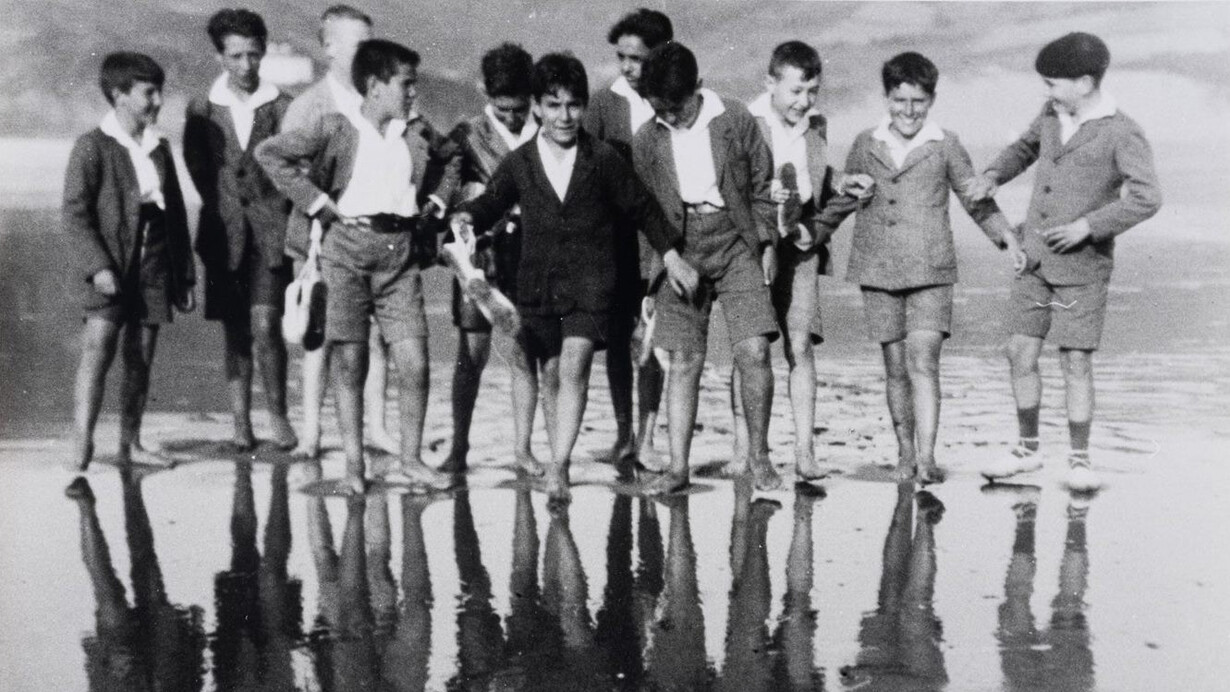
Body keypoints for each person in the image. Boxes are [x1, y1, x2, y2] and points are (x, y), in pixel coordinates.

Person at [452, 53, 697, 500]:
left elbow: (643, 207)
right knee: (549, 371)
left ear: (583, 106)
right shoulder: (522, 162)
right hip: (539, 285)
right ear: (539, 108)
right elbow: (492, 201)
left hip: (592, 284)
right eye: (554, 105)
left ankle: (559, 465)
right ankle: (552, 455)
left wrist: (673, 256)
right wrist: (468, 215)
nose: (565, 116)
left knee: (575, 364)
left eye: (574, 105)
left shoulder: (602, 158)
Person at [257, 38, 459, 494]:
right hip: (344, 251)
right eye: (405, 85)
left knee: (416, 361)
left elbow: (454, 159)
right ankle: (353, 468)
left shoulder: (417, 129)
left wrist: (437, 201)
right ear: (374, 85)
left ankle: (410, 459)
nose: (413, 94)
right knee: (350, 362)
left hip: (400, 254)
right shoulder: (335, 127)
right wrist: (318, 204)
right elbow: (270, 155)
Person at [971, 33, 1161, 491]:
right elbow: (1023, 148)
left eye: (1053, 84)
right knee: (1019, 351)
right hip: (1034, 263)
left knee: (1075, 361)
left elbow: (1148, 197)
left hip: (1083, 269)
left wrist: (1088, 227)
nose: (1047, 92)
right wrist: (995, 175)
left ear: (1084, 81)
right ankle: (1027, 451)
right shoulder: (1052, 114)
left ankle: (1079, 460)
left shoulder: (1122, 131)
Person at [828, 51, 1020, 485]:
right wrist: (811, 232)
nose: (909, 111)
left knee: (924, 362)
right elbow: (844, 198)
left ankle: (928, 458)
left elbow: (974, 197)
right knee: (895, 367)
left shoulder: (945, 143)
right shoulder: (865, 142)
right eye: (900, 101)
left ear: (931, 100)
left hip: (932, 269)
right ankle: (904, 455)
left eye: (918, 102)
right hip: (877, 270)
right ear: (886, 98)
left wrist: (1005, 235)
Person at [632, 41, 781, 494]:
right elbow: (645, 211)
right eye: (659, 110)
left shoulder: (735, 119)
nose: (669, 119)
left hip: (737, 242)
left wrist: (766, 242)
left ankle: (758, 455)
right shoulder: (646, 139)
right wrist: (666, 264)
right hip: (679, 247)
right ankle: (678, 467)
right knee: (684, 360)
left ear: (698, 86)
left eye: (676, 109)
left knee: (754, 349)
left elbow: (762, 183)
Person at [64, 51, 196, 471]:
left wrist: (184, 278)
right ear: (119, 95)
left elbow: (173, 214)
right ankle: (81, 443)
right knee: (98, 350)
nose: (158, 101)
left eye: (160, 91)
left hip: (155, 260)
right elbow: (75, 213)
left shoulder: (160, 146)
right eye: (148, 92)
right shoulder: (92, 146)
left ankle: (131, 443)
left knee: (141, 355)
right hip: (110, 263)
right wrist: (99, 266)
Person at [280, 5, 400, 459]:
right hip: (319, 240)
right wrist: (323, 206)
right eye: (355, 45)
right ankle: (311, 433)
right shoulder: (307, 106)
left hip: (375, 241)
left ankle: (378, 429)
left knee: (376, 336)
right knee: (319, 335)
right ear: (328, 48)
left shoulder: (382, 99)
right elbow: (288, 173)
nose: (366, 54)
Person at [744, 40, 867, 481]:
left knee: (799, 346)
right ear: (770, 83)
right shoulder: (746, 121)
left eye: (812, 91)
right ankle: (749, 450)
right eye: (795, 91)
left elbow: (814, 174)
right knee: (752, 349)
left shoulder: (817, 124)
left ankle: (805, 451)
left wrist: (841, 178)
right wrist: (762, 206)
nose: (804, 101)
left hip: (801, 246)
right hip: (755, 247)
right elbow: (730, 182)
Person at [184, 8, 297, 452]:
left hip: (272, 233)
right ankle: (240, 422)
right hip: (222, 234)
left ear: (264, 51)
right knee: (234, 329)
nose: (246, 66)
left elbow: (293, 167)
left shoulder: (284, 106)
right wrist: (226, 205)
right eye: (235, 56)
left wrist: (275, 211)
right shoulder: (201, 107)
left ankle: (279, 417)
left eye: (253, 55)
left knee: (267, 323)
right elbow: (198, 168)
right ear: (220, 57)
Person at [441, 42, 538, 474]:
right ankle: (458, 447)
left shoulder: (545, 131)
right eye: (503, 109)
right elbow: (443, 188)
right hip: (480, 257)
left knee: (524, 352)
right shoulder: (465, 135)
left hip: (532, 255)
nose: (514, 117)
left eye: (520, 108)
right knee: (471, 355)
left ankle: (522, 450)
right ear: (485, 93)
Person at [584, 7, 674, 468]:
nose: (626, 66)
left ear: (660, 56)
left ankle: (650, 436)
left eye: (636, 58)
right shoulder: (602, 103)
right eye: (621, 57)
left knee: (656, 337)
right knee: (619, 338)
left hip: (663, 238)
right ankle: (624, 434)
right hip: (616, 239)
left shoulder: (674, 97)